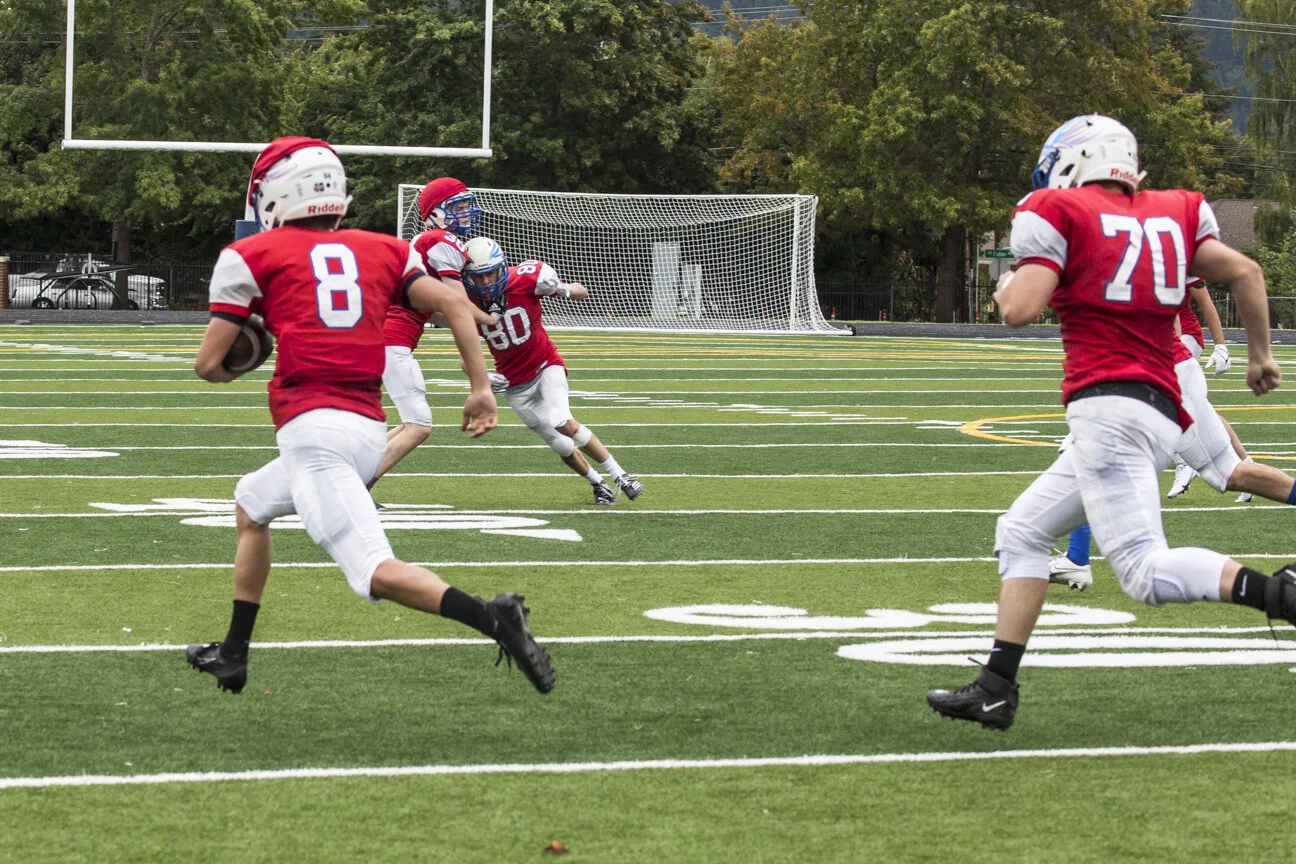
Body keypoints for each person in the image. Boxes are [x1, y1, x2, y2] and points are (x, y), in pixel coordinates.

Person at [926, 115, 1295, 731]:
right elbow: (1248, 273)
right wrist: (1260, 355)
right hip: (1156, 403)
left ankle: (1282, 596)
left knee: (1146, 573)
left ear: (1076, 160)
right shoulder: (1175, 210)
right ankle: (995, 688)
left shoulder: (1059, 211)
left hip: (1109, 407)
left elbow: (1018, 309)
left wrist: (1007, 277)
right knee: (1020, 530)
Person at [187, 137, 554, 695]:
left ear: (277, 193)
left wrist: (251, 348)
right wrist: (480, 388)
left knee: (374, 571)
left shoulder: (249, 256)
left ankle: (492, 619)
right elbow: (456, 303)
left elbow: (209, 366)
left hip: (314, 431)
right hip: (365, 427)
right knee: (251, 504)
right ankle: (234, 653)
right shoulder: (387, 248)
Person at [461, 237, 644, 505]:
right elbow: (466, 357)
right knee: (559, 443)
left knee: (562, 419)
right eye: (479, 277)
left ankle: (621, 476)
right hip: (514, 385)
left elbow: (581, 291)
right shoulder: (465, 303)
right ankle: (598, 483)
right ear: (467, 278)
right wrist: (482, 376)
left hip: (545, 364)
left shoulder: (525, 279)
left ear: (502, 267)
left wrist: (563, 289)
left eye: (491, 274)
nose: (487, 283)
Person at [369, 177, 492, 496]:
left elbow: (437, 312)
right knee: (419, 425)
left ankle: (352, 474)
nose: (465, 213)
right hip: (391, 342)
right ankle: (356, 488)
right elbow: (459, 305)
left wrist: (475, 322)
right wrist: (492, 320)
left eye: (466, 205)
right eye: (457, 206)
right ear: (435, 213)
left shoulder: (430, 243)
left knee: (412, 422)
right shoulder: (440, 241)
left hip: (385, 338)